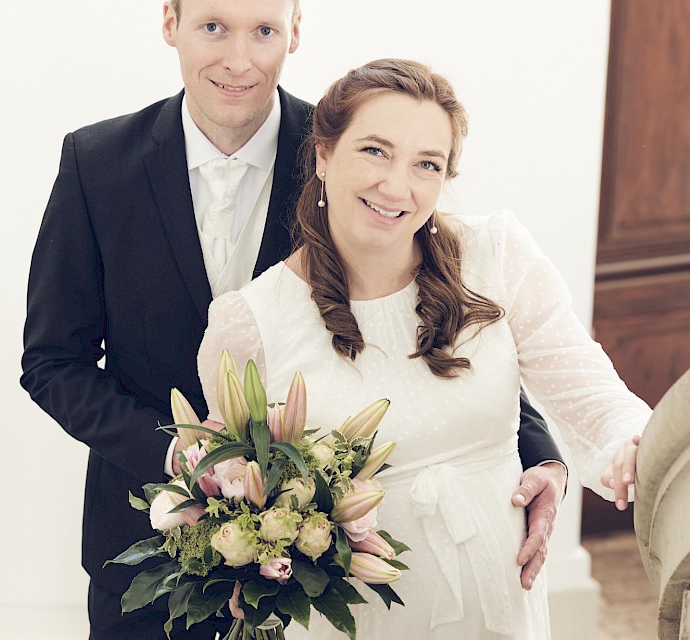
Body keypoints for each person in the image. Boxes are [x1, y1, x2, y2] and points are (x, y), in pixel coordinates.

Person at [21, 0, 568, 640]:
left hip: (329, 563)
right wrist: (180, 453)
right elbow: (52, 362)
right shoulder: (96, 164)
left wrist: (541, 450)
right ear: (170, 23)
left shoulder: (353, 154)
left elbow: (443, 309)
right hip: (146, 548)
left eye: (264, 30)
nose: (239, 59)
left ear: (296, 32)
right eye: (213, 26)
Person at [196, 59, 653, 638]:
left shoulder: (497, 255)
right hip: (353, 620)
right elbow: (233, 493)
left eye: (426, 164)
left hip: (498, 605)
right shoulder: (250, 323)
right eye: (374, 151)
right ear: (323, 155)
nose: (397, 186)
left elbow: (590, 390)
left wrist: (632, 442)